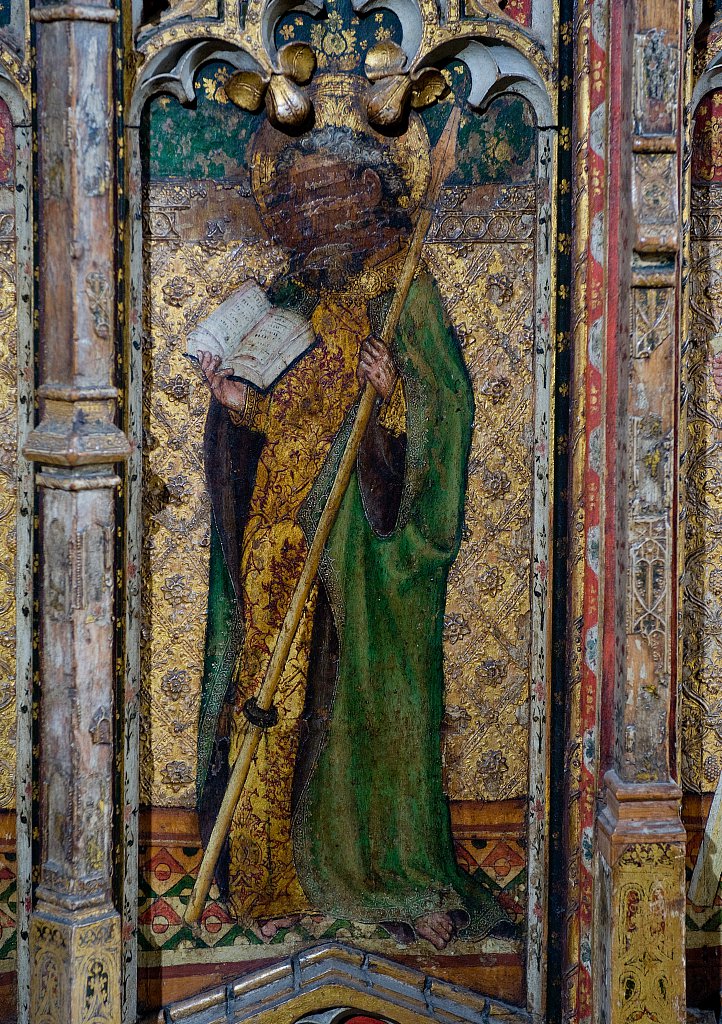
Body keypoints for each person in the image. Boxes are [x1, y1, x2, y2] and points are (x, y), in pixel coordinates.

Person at [195, 88, 508, 949]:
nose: (299, 217)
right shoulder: (290, 292)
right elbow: (272, 415)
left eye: (317, 195)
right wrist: (235, 403)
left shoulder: (404, 289)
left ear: (370, 191)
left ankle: (398, 874)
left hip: (371, 551)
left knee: (374, 695)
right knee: (277, 697)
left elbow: (447, 408)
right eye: (290, 202)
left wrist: (395, 396)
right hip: (282, 535)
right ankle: (275, 877)